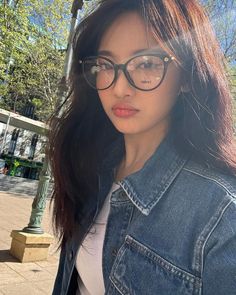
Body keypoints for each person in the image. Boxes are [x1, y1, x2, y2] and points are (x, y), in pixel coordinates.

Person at [49, 0, 236, 294]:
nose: (119, 88)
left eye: (146, 64)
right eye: (105, 65)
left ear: (187, 76)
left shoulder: (222, 217)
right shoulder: (89, 165)